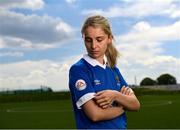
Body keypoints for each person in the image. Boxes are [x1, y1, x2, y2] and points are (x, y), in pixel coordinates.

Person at [69, 15, 140, 129]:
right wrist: (123, 106)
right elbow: (95, 115)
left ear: (109, 39)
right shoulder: (79, 69)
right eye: (88, 40)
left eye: (99, 39)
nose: (93, 46)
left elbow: (135, 105)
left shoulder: (113, 70)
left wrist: (115, 95)